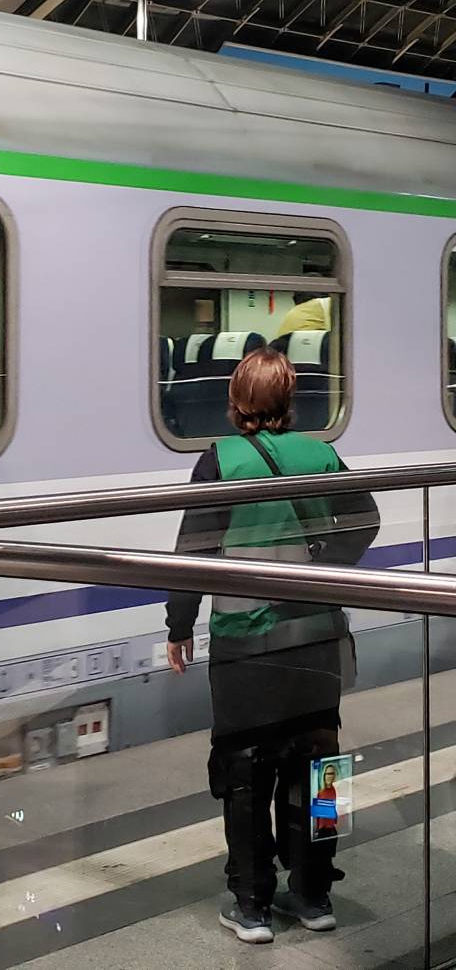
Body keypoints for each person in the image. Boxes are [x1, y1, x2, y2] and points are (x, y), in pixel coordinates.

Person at [165, 348, 379, 945]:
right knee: (318, 768)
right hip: (316, 636)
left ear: (236, 401)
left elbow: (193, 552)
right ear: (289, 400)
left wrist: (179, 626)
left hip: (246, 645)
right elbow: (366, 519)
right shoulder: (322, 454)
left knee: (245, 771)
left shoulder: (220, 460)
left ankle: (252, 904)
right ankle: (314, 895)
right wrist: (323, 565)